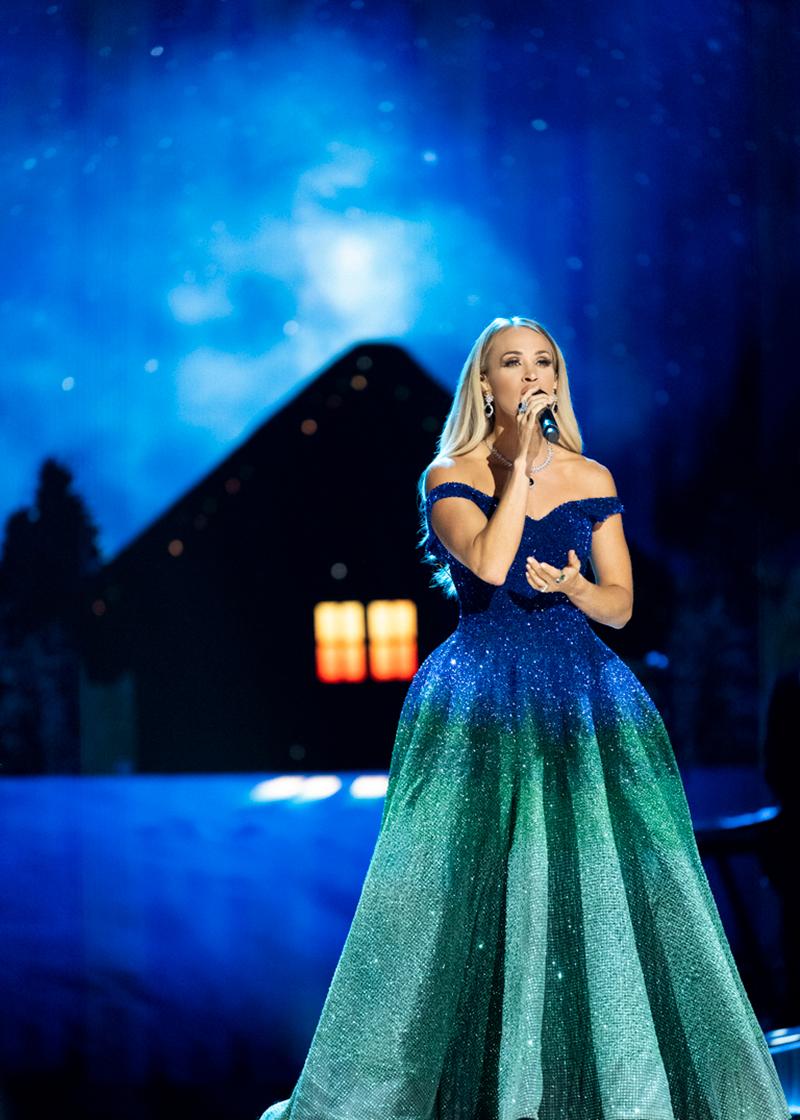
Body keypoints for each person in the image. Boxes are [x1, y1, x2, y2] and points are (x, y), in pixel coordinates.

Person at [259, 316, 790, 1120]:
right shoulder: (449, 474)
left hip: (583, 699)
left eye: (544, 362)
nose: (532, 374)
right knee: (469, 891)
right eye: (513, 363)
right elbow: (490, 561)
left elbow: (621, 606)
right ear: (486, 383)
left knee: (592, 886)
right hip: (479, 700)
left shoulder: (590, 475)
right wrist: (516, 467)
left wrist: (577, 588)